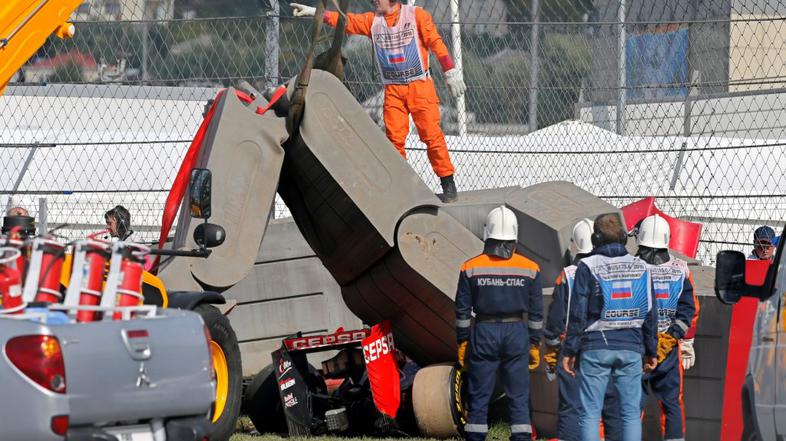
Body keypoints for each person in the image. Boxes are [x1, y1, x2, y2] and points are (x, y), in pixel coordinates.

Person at [289, 0, 467, 203]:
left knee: (432, 136)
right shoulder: (373, 21)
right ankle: (402, 189)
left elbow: (437, 44)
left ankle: (448, 184)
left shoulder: (417, 16)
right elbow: (346, 21)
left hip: (420, 86)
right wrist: (315, 12)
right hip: (393, 90)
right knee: (394, 141)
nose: (373, 1)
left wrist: (451, 72)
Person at [561, 213, 658, 441]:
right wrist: (651, 351)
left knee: (590, 414)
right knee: (631, 414)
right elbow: (650, 314)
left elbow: (578, 314)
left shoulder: (587, 266)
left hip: (595, 346)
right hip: (632, 347)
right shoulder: (642, 267)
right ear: (624, 237)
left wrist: (570, 350)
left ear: (595, 239)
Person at [455, 206, 543, 441]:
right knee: (518, 395)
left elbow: (462, 311)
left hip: (484, 331)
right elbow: (536, 313)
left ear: (488, 233)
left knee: (479, 394)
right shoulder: (531, 269)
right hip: (517, 333)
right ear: (515, 235)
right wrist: (534, 343)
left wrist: (463, 341)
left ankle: (475, 437)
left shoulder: (470, 267)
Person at [543, 218, 621, 441]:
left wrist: (552, 350)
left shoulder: (568, 275)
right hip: (607, 345)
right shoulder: (610, 270)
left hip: (574, 349)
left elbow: (557, 318)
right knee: (608, 405)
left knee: (572, 406)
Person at [635, 214, 699, 441]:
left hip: (637, 347)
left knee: (632, 403)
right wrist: (682, 339)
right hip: (668, 347)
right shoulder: (681, 269)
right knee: (671, 403)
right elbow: (690, 310)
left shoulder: (630, 267)